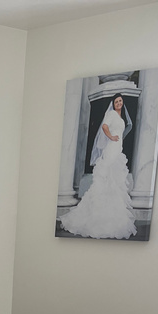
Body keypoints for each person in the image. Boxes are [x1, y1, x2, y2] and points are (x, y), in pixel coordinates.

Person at [59, 94, 137, 239]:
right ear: (113, 104)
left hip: (117, 150)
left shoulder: (120, 118)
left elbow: (122, 130)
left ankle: (112, 217)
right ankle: (98, 218)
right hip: (111, 150)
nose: (119, 103)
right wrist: (111, 137)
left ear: (122, 102)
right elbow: (104, 126)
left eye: (120, 101)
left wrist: (117, 140)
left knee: (114, 182)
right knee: (108, 180)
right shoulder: (112, 114)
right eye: (116, 101)